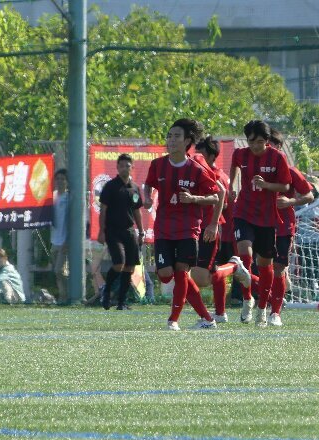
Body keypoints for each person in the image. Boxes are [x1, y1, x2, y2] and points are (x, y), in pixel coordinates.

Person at [143, 118, 223, 331]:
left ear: (187, 140)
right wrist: (148, 197)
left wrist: (194, 199)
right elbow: (148, 185)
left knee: (180, 273)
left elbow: (215, 197)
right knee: (165, 274)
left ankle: (173, 320)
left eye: (176, 136)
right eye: (169, 136)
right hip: (163, 228)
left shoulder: (196, 168)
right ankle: (207, 318)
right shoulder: (157, 165)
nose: (171, 140)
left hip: (189, 228)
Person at [229, 120, 291, 327]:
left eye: (260, 142)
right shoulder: (240, 154)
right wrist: (232, 186)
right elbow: (234, 165)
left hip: (266, 218)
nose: (255, 146)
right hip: (244, 212)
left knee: (265, 266)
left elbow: (285, 184)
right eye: (251, 141)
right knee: (244, 253)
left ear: (267, 141)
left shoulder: (277, 157)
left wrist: (266, 185)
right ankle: (248, 299)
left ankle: (263, 309)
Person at [190, 135, 251, 323]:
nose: (195, 157)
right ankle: (220, 312)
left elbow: (222, 203)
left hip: (223, 230)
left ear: (209, 156)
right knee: (214, 273)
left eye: (199, 154)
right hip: (211, 228)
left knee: (213, 273)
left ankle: (256, 292)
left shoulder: (217, 176)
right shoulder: (203, 173)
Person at [268, 128, 314, 325]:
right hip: (258, 224)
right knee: (257, 265)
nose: (265, 149)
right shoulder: (254, 169)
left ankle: (275, 312)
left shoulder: (291, 171)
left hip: (283, 227)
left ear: (278, 147)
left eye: (270, 145)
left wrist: (289, 202)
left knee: (277, 267)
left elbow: (309, 195)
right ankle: (262, 300)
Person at [98, 153, 145, 310]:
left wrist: (141, 232)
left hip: (130, 232)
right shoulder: (110, 186)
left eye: (128, 165)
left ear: (132, 167)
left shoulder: (135, 188)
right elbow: (103, 210)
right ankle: (106, 292)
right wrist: (101, 231)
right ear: (117, 168)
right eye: (122, 165)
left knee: (130, 267)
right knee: (119, 263)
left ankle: (121, 302)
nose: (125, 168)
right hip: (113, 231)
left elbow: (137, 211)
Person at [294, 175, 319, 301]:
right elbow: (297, 219)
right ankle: (307, 293)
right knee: (305, 269)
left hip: (317, 240)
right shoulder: (300, 203)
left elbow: (318, 222)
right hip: (302, 241)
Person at [51, 168, 69, 304]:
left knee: (59, 270)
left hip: (64, 240)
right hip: (54, 240)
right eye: (58, 179)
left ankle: (66, 296)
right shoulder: (52, 196)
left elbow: (72, 221)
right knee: (57, 271)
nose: (60, 181)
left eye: (63, 179)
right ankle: (63, 296)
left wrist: (67, 240)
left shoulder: (69, 197)